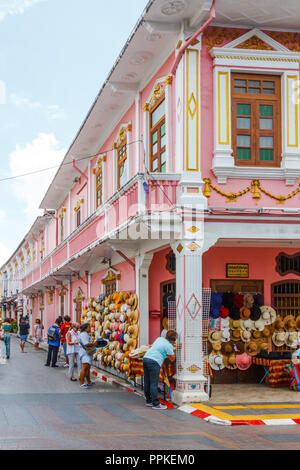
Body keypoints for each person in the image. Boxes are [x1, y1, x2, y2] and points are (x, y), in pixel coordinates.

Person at [142, 330, 177, 410]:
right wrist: (174, 350)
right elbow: (172, 359)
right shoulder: (169, 346)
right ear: (173, 340)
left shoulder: (159, 339)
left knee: (147, 381)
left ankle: (149, 401)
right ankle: (156, 404)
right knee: (154, 383)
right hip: (154, 362)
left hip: (146, 358)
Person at [78, 323, 98, 389]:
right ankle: (81, 383)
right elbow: (86, 344)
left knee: (88, 368)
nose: (90, 329)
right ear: (86, 328)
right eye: (89, 327)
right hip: (85, 353)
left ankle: (89, 381)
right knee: (84, 367)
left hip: (86, 353)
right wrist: (94, 343)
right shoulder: (84, 335)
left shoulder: (85, 334)